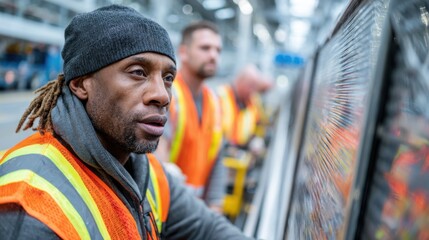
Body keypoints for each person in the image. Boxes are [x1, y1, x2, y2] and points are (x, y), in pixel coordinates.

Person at [0, 5, 251, 240]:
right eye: (138, 72)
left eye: (167, 77)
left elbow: (209, 228)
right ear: (80, 84)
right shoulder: (31, 206)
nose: (162, 95)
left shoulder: (147, 172)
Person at [155, 20, 226, 213]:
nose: (213, 56)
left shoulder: (214, 101)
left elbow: (218, 159)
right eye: (205, 48)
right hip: (167, 208)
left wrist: (215, 206)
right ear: (184, 52)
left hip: (197, 211)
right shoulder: (166, 96)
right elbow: (157, 161)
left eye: (218, 50)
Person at [216, 64, 272, 153]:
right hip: (219, 153)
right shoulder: (220, 97)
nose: (253, 91)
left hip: (238, 155)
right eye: (251, 86)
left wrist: (253, 141)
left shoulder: (251, 102)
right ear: (241, 81)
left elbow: (256, 124)